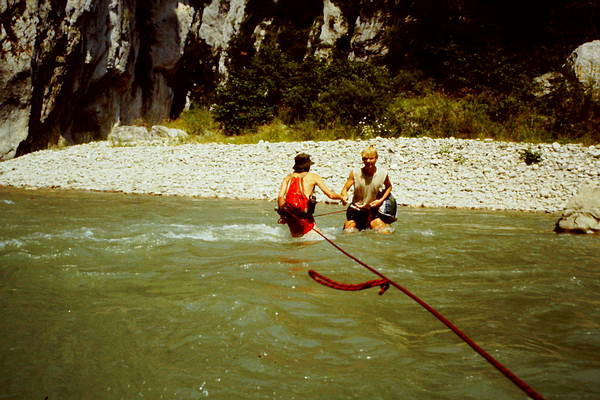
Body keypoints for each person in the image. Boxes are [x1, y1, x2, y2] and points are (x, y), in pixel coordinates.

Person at [277, 153, 345, 237]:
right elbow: (330, 195)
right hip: (304, 215)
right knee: (317, 239)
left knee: (297, 240)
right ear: (308, 165)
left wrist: (283, 216)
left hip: (290, 216)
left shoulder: (288, 178)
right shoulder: (313, 177)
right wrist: (342, 198)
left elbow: (280, 197)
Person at [340, 145, 395, 232]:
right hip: (355, 210)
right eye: (365, 159)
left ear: (376, 158)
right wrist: (344, 197)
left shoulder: (383, 173)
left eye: (371, 158)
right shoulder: (355, 172)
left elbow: (389, 187)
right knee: (348, 232)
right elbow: (344, 189)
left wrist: (380, 201)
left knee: (385, 232)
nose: (368, 161)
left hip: (373, 211)